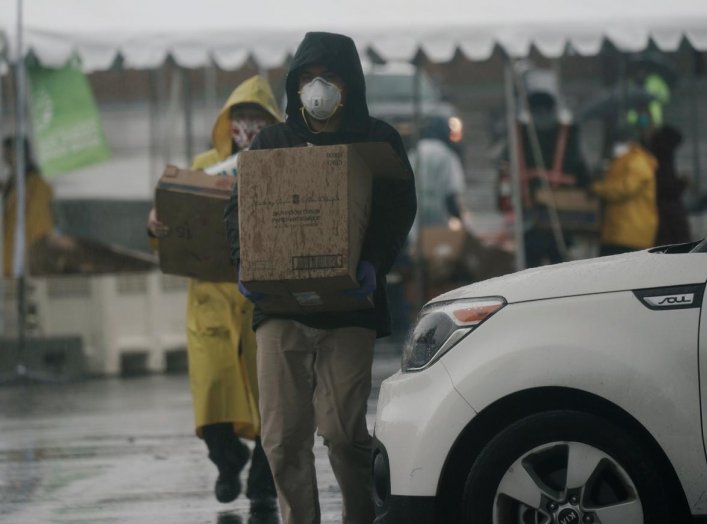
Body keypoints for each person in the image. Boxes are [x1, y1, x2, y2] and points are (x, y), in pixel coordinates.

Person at [225, 32, 417, 524]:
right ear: (294, 84)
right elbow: (238, 211)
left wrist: (374, 261)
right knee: (282, 438)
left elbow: (398, 211)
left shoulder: (377, 140)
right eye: (309, 77)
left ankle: (365, 514)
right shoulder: (273, 142)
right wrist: (245, 264)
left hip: (348, 306)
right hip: (280, 310)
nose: (319, 87)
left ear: (349, 84)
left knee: (341, 431)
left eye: (330, 78)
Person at [147, 75, 280, 513]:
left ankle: (262, 482)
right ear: (227, 122)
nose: (247, 126)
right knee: (212, 391)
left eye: (258, 119)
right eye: (240, 117)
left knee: (270, 396)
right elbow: (173, 222)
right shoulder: (203, 165)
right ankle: (227, 461)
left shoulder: (284, 165)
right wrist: (157, 226)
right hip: (208, 300)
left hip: (262, 297)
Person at [591, 130, 658, 256]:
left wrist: (598, 189)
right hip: (620, 230)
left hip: (629, 232)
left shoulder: (636, 160)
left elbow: (626, 188)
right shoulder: (624, 160)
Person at [2, 136, 54, 277]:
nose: (6, 160)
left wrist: (25, 264)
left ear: (22, 155)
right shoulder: (12, 183)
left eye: (9, 155)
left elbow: (36, 229)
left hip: (19, 265)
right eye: (5, 155)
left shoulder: (36, 186)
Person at [648, 125, 692, 245]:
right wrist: (682, 183)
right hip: (668, 216)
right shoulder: (663, 159)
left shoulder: (653, 155)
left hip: (660, 214)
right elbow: (666, 189)